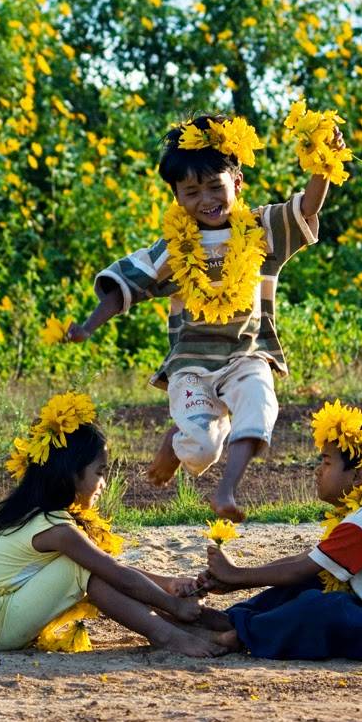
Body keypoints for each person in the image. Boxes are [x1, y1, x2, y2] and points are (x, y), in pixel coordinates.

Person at [68, 114, 345, 521]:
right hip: (192, 366)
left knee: (260, 404)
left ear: (237, 183)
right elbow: (125, 284)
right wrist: (89, 326)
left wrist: (323, 159)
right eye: (191, 191)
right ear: (177, 197)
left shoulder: (261, 229)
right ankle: (179, 437)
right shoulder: (173, 248)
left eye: (215, 186)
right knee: (203, 447)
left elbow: (307, 206)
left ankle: (226, 493)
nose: (206, 200)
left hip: (248, 353)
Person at [0, 391, 224, 656]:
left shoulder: (44, 517)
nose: (104, 483)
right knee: (85, 569)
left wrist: (167, 584)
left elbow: (114, 571)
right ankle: (168, 636)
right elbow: (115, 572)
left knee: (93, 569)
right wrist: (172, 603)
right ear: (72, 473)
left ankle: (193, 630)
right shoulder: (55, 528)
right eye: (99, 472)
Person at [192, 400, 362, 661]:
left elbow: (297, 569)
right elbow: (306, 561)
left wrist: (236, 575)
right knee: (314, 582)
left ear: (358, 477)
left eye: (327, 463)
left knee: (326, 607)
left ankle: (242, 633)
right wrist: (234, 578)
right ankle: (231, 619)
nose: (317, 472)